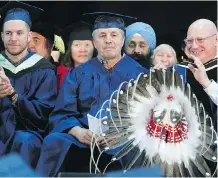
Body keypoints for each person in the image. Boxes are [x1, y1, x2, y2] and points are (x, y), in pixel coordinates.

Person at [36, 12, 146, 177]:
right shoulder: (78, 74)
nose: (108, 40)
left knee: (141, 147)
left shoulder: (141, 75)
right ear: (94, 42)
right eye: (102, 35)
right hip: (85, 138)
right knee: (54, 142)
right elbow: (63, 113)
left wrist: (123, 135)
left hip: (125, 140)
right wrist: (78, 132)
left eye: (114, 35)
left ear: (122, 40)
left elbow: (148, 116)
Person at [0, 1, 57, 168]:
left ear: (29, 36)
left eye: (19, 33)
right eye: (8, 33)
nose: (13, 38)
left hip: (27, 133)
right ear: (2, 36)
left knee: (25, 141)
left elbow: (44, 115)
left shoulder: (44, 70)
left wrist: (14, 95)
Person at [175, 18, 217, 127]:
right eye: (189, 41)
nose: (194, 46)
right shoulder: (178, 70)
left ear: (216, 40)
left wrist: (207, 84)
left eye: (200, 40)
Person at [29, 22, 69, 90]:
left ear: (51, 47)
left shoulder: (64, 76)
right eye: (28, 41)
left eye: (36, 40)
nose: (30, 46)